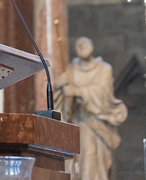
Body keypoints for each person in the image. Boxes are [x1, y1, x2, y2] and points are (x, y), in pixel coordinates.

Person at [54, 36, 127, 180]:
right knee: (77, 161)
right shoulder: (71, 70)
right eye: (79, 45)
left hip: (96, 123)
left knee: (90, 157)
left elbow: (103, 93)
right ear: (75, 49)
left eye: (85, 44)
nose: (82, 46)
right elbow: (61, 99)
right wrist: (59, 86)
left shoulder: (104, 69)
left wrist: (78, 91)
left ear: (92, 47)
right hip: (78, 122)